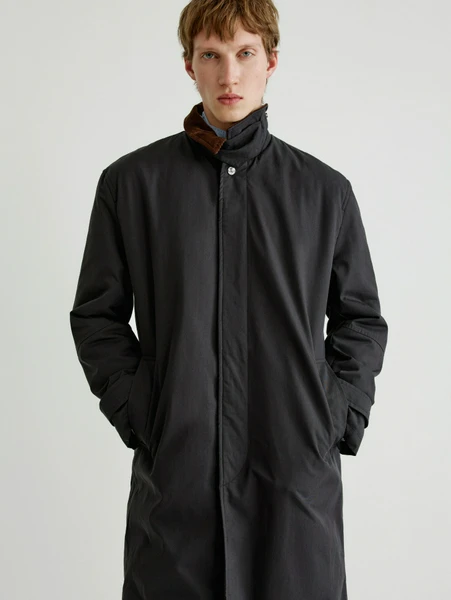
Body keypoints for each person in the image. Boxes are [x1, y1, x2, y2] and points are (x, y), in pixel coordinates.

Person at [69, 1, 389, 598]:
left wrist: (335, 413)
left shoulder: (324, 192)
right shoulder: (131, 184)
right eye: (211, 56)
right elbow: (96, 316)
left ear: (272, 61)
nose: (229, 75)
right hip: (178, 479)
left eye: (245, 54)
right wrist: (143, 408)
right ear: (189, 65)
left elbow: (361, 319)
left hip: (292, 479)